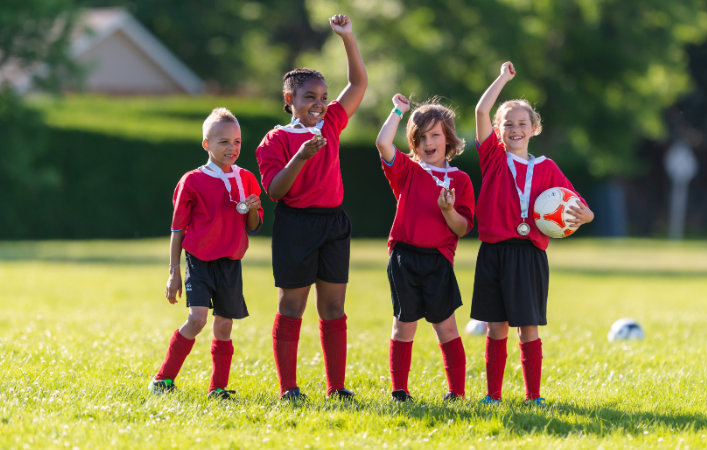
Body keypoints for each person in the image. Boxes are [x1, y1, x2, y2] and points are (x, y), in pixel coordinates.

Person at [255, 14, 367, 400]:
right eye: (309, 97)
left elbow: (358, 84)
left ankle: (337, 388)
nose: (319, 104)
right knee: (292, 305)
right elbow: (274, 190)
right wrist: (300, 157)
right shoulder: (275, 141)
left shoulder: (332, 122)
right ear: (289, 100)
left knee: (334, 307)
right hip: (296, 225)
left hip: (333, 223)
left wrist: (347, 38)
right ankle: (289, 388)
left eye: (323, 97)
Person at [473, 62, 594, 406]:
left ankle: (533, 396)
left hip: (529, 255)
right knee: (496, 327)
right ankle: (492, 396)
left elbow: (578, 207)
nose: (515, 129)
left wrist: (587, 216)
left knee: (528, 328)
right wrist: (503, 78)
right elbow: (481, 109)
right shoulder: (493, 159)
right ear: (497, 131)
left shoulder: (548, 169)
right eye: (507, 124)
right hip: (494, 252)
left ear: (534, 128)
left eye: (522, 124)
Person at [149, 108, 264, 399]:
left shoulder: (247, 179)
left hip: (231, 264)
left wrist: (251, 209)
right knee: (198, 319)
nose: (232, 148)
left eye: (237, 142)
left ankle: (218, 388)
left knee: (224, 326)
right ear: (206, 144)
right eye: (224, 142)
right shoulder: (192, 181)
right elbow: (178, 231)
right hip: (199, 262)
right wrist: (174, 273)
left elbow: (253, 226)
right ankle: (163, 379)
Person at [375, 94, 475, 402]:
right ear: (414, 143)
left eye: (435, 135)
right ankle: (399, 392)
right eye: (421, 137)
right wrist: (397, 111)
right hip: (404, 256)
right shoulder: (407, 170)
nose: (428, 142)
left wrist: (448, 210)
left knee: (446, 328)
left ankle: (456, 393)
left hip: (439, 260)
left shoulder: (460, 180)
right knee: (403, 327)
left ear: (448, 139)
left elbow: (462, 228)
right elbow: (382, 143)